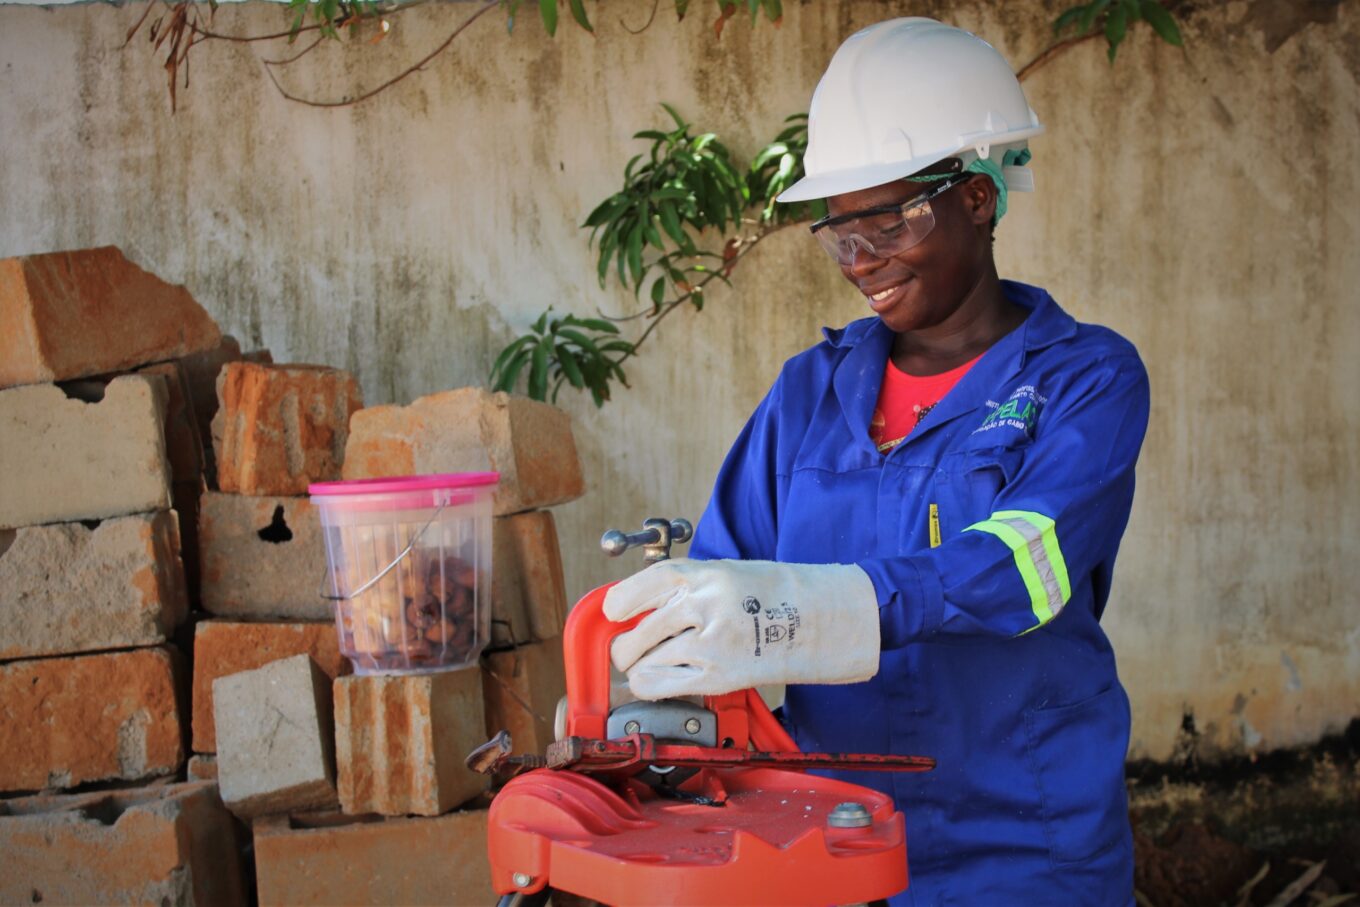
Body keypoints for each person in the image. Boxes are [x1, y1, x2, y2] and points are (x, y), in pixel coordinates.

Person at [602, 17, 1150, 905]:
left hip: (1027, 850)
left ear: (976, 197)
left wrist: (832, 606)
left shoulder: (1085, 378)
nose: (860, 261)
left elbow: (1026, 565)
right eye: (838, 233)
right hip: (833, 839)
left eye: (888, 222)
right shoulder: (810, 393)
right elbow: (722, 573)